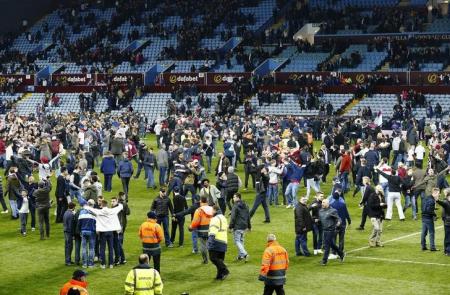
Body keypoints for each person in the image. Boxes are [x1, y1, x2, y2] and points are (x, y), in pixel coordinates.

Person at [83, 199, 123, 269]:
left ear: (101, 205)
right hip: (110, 232)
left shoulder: (99, 211)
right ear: (107, 204)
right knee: (110, 248)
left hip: (103, 233)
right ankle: (111, 264)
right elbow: (120, 207)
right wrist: (119, 203)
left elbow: (89, 209)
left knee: (102, 248)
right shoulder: (112, 210)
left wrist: (85, 206)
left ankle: (103, 264)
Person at [319, 199, 345, 266]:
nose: (322, 204)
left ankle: (324, 261)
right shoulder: (320, 211)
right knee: (332, 244)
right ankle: (341, 254)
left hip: (331, 230)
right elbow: (321, 219)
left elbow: (338, 218)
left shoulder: (333, 211)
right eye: (322, 202)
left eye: (324, 202)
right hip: (324, 230)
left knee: (327, 245)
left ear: (328, 204)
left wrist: (339, 222)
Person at [189, 196, 213, 264]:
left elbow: (196, 221)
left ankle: (205, 260)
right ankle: (213, 258)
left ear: (200, 201)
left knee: (203, 245)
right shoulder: (211, 209)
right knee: (211, 244)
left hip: (202, 230)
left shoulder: (199, 210)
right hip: (211, 229)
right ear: (207, 201)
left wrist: (191, 226)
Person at [208, 205, 229, 280]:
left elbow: (213, 230)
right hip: (224, 240)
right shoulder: (223, 217)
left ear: (214, 210)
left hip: (216, 240)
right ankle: (219, 276)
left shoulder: (215, 219)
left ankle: (225, 270)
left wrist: (210, 241)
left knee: (213, 258)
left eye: (211, 210)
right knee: (220, 259)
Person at [229, 192, 251, 262]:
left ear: (238, 197)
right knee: (241, 241)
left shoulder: (235, 206)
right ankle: (240, 256)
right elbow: (248, 216)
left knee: (237, 241)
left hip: (237, 226)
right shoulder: (246, 205)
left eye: (234, 197)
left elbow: (233, 218)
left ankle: (245, 254)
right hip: (244, 226)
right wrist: (249, 226)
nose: (233, 198)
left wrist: (230, 226)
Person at [330, 186, 351, 254]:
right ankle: (341, 251)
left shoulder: (331, 205)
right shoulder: (343, 204)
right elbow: (346, 213)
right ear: (339, 196)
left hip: (335, 224)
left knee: (334, 238)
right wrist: (349, 220)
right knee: (341, 238)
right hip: (343, 223)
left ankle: (333, 252)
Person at [78, 199, 96, 268]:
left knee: (84, 248)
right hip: (91, 231)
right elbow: (95, 223)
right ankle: (90, 264)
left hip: (83, 231)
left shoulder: (82, 212)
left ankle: (85, 264)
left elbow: (79, 223)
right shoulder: (94, 212)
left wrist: (79, 231)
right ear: (93, 204)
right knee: (91, 248)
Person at [434, 188, 450, 255]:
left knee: (447, 237)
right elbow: (439, 202)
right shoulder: (446, 202)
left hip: (447, 221)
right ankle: (447, 251)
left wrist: (437, 198)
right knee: (448, 237)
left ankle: (446, 250)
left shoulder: (446, 202)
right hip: (447, 222)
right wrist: (436, 198)